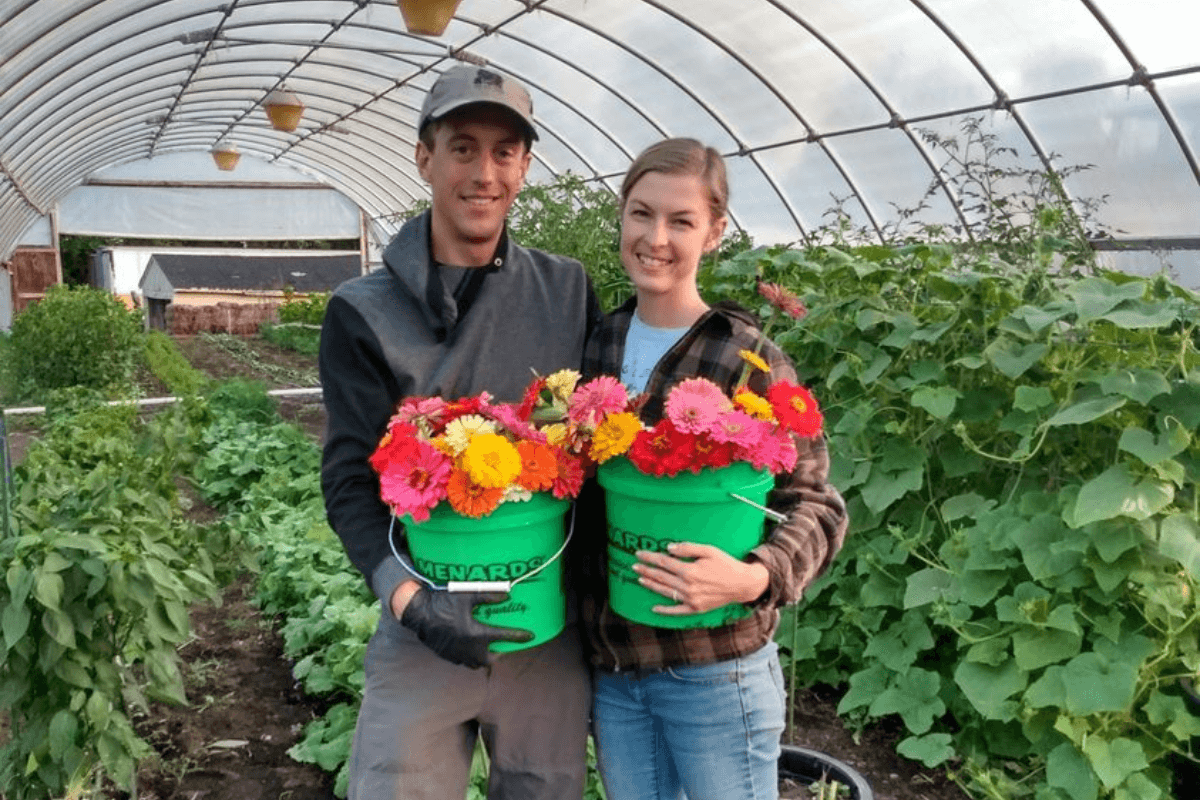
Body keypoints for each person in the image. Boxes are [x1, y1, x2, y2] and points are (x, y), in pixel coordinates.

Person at [319, 65, 601, 800]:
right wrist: (410, 601)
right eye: (463, 147)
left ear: (525, 166)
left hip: (543, 630)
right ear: (425, 156)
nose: (485, 172)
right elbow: (350, 479)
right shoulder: (363, 311)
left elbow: (600, 439)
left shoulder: (566, 290)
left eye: (505, 152)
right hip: (424, 624)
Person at [578, 137, 849, 800]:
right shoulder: (596, 344)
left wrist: (754, 576)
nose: (656, 238)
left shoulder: (746, 359)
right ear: (621, 217)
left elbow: (817, 505)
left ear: (715, 232)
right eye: (641, 214)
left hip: (713, 670)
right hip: (615, 667)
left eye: (681, 221)